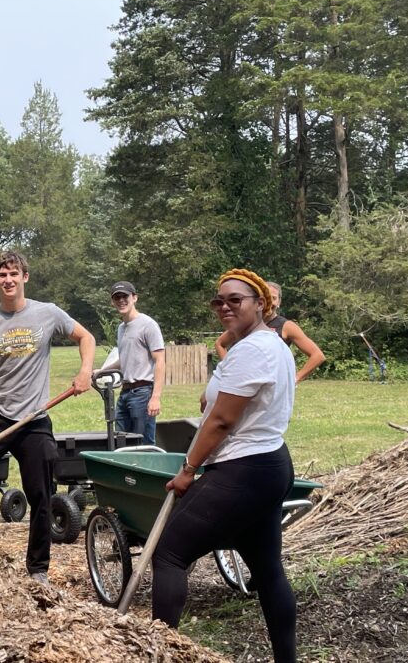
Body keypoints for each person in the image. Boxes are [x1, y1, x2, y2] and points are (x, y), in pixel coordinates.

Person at [152, 269, 298, 663]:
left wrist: (187, 469)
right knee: (268, 572)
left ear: (260, 303)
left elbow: (220, 421)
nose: (225, 307)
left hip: (243, 470)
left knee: (169, 554)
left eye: (236, 299)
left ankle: (160, 653)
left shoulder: (253, 349)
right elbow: (227, 401)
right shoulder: (268, 345)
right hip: (270, 464)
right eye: (219, 301)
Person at [0, 250, 95, 585]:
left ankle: (38, 569)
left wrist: (85, 370)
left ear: (24, 277)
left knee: (41, 493)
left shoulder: (47, 313)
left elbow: (85, 337)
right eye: (2, 275)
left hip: (34, 420)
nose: (8, 280)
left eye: (14, 273)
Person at [93, 280, 166, 445]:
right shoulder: (121, 328)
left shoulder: (148, 325)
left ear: (134, 298)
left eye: (124, 296)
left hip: (143, 392)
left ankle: (148, 471)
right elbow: (125, 358)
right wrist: (102, 371)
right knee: (122, 441)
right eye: (116, 297)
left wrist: (155, 397)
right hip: (125, 393)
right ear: (112, 302)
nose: (121, 301)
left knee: (143, 444)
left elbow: (160, 360)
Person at [216, 281, 325, 383]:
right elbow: (220, 343)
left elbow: (317, 355)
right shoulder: (245, 324)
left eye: (273, 298)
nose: (269, 302)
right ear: (259, 301)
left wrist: (295, 379)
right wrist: (229, 369)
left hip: (270, 386)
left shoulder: (287, 326)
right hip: (242, 382)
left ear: (279, 302)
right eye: (266, 297)